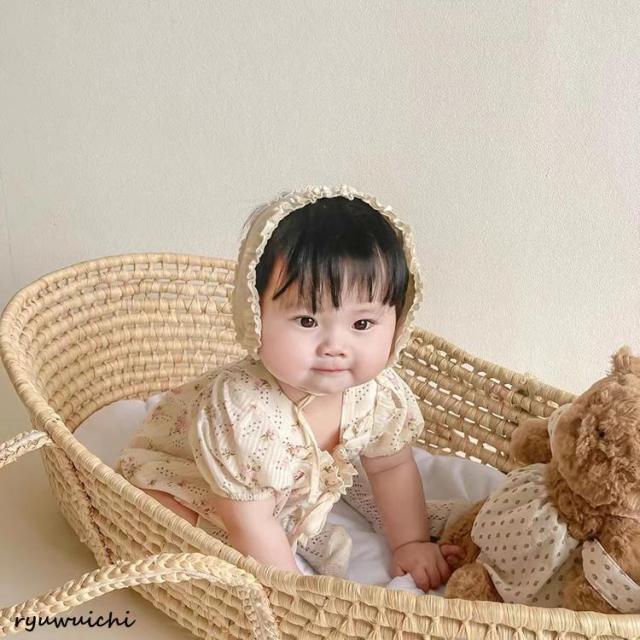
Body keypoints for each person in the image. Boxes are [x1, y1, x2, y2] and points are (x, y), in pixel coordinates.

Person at [116, 185, 462, 591]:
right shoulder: (243, 410)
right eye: (307, 321)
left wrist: (411, 543)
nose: (335, 346)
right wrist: (291, 591)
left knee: (309, 504)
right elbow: (248, 521)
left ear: (397, 323)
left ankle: (292, 520)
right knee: (174, 532)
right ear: (255, 314)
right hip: (195, 484)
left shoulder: (377, 394)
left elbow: (391, 467)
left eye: (362, 324)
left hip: (273, 497)